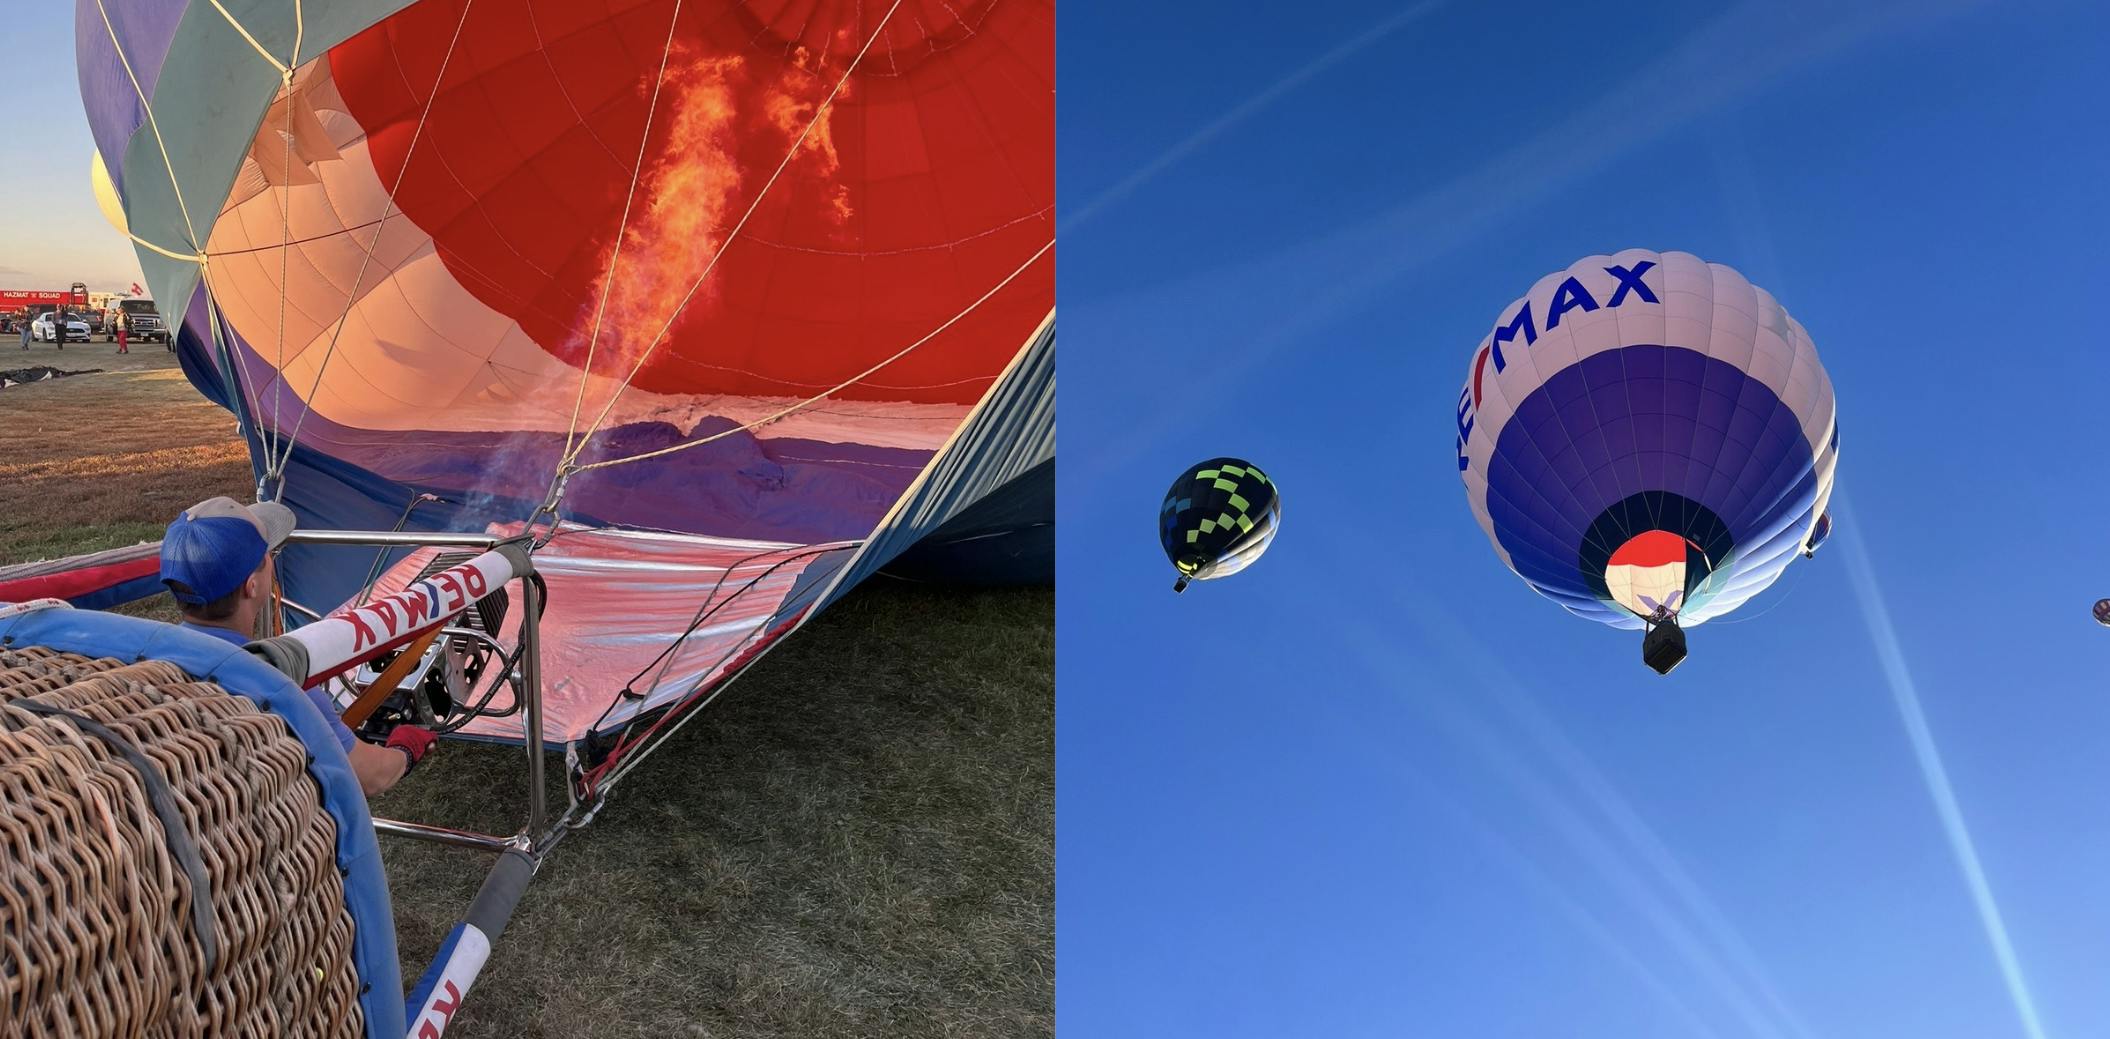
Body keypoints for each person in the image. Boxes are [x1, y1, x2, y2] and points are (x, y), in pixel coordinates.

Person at [159, 496, 435, 796]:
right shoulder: (281, 684)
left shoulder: (149, 662)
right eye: (267, 556)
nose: (272, 561)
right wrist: (406, 750)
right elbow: (371, 777)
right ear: (252, 585)